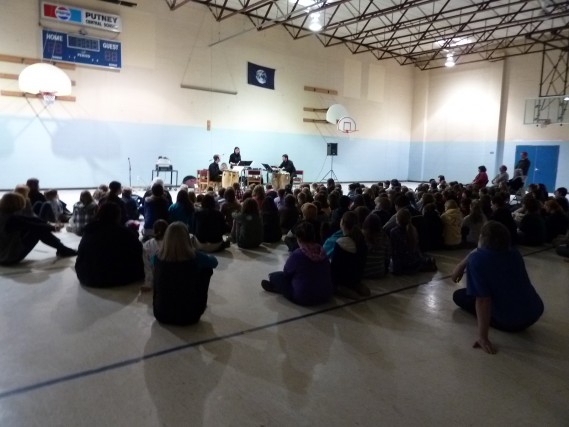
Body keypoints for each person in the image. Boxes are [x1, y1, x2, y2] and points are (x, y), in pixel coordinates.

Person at [451, 221, 544, 354]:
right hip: (535, 311)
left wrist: (483, 337)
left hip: (511, 322)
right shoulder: (515, 253)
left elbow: (483, 301)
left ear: (481, 239)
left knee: (459, 296)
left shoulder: (477, 261)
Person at [153, 222, 218, 325]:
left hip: (161, 314)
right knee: (207, 270)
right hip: (190, 316)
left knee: (158, 271)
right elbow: (214, 262)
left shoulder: (156, 257)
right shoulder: (196, 257)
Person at [261, 221, 333, 306]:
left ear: (298, 238)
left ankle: (276, 287)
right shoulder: (322, 250)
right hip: (326, 294)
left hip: (304, 297)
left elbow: (286, 273)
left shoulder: (298, 254)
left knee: (274, 276)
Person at [75, 203, 144, 287]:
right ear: (118, 216)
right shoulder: (124, 232)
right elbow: (139, 251)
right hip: (114, 277)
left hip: (86, 275)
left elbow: (81, 252)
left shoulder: (89, 230)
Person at [0, 192, 77, 265]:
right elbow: (32, 225)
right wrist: (53, 227)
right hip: (8, 258)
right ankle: (63, 249)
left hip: (3, 254)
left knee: (36, 226)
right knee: (37, 231)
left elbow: (30, 220)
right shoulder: (12, 219)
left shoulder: (5, 215)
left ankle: (62, 249)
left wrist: (48, 224)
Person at [141, 219, 168, 291]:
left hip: (155, 275)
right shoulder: (172, 244)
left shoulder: (147, 245)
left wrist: (148, 283)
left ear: (154, 231)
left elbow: (147, 266)